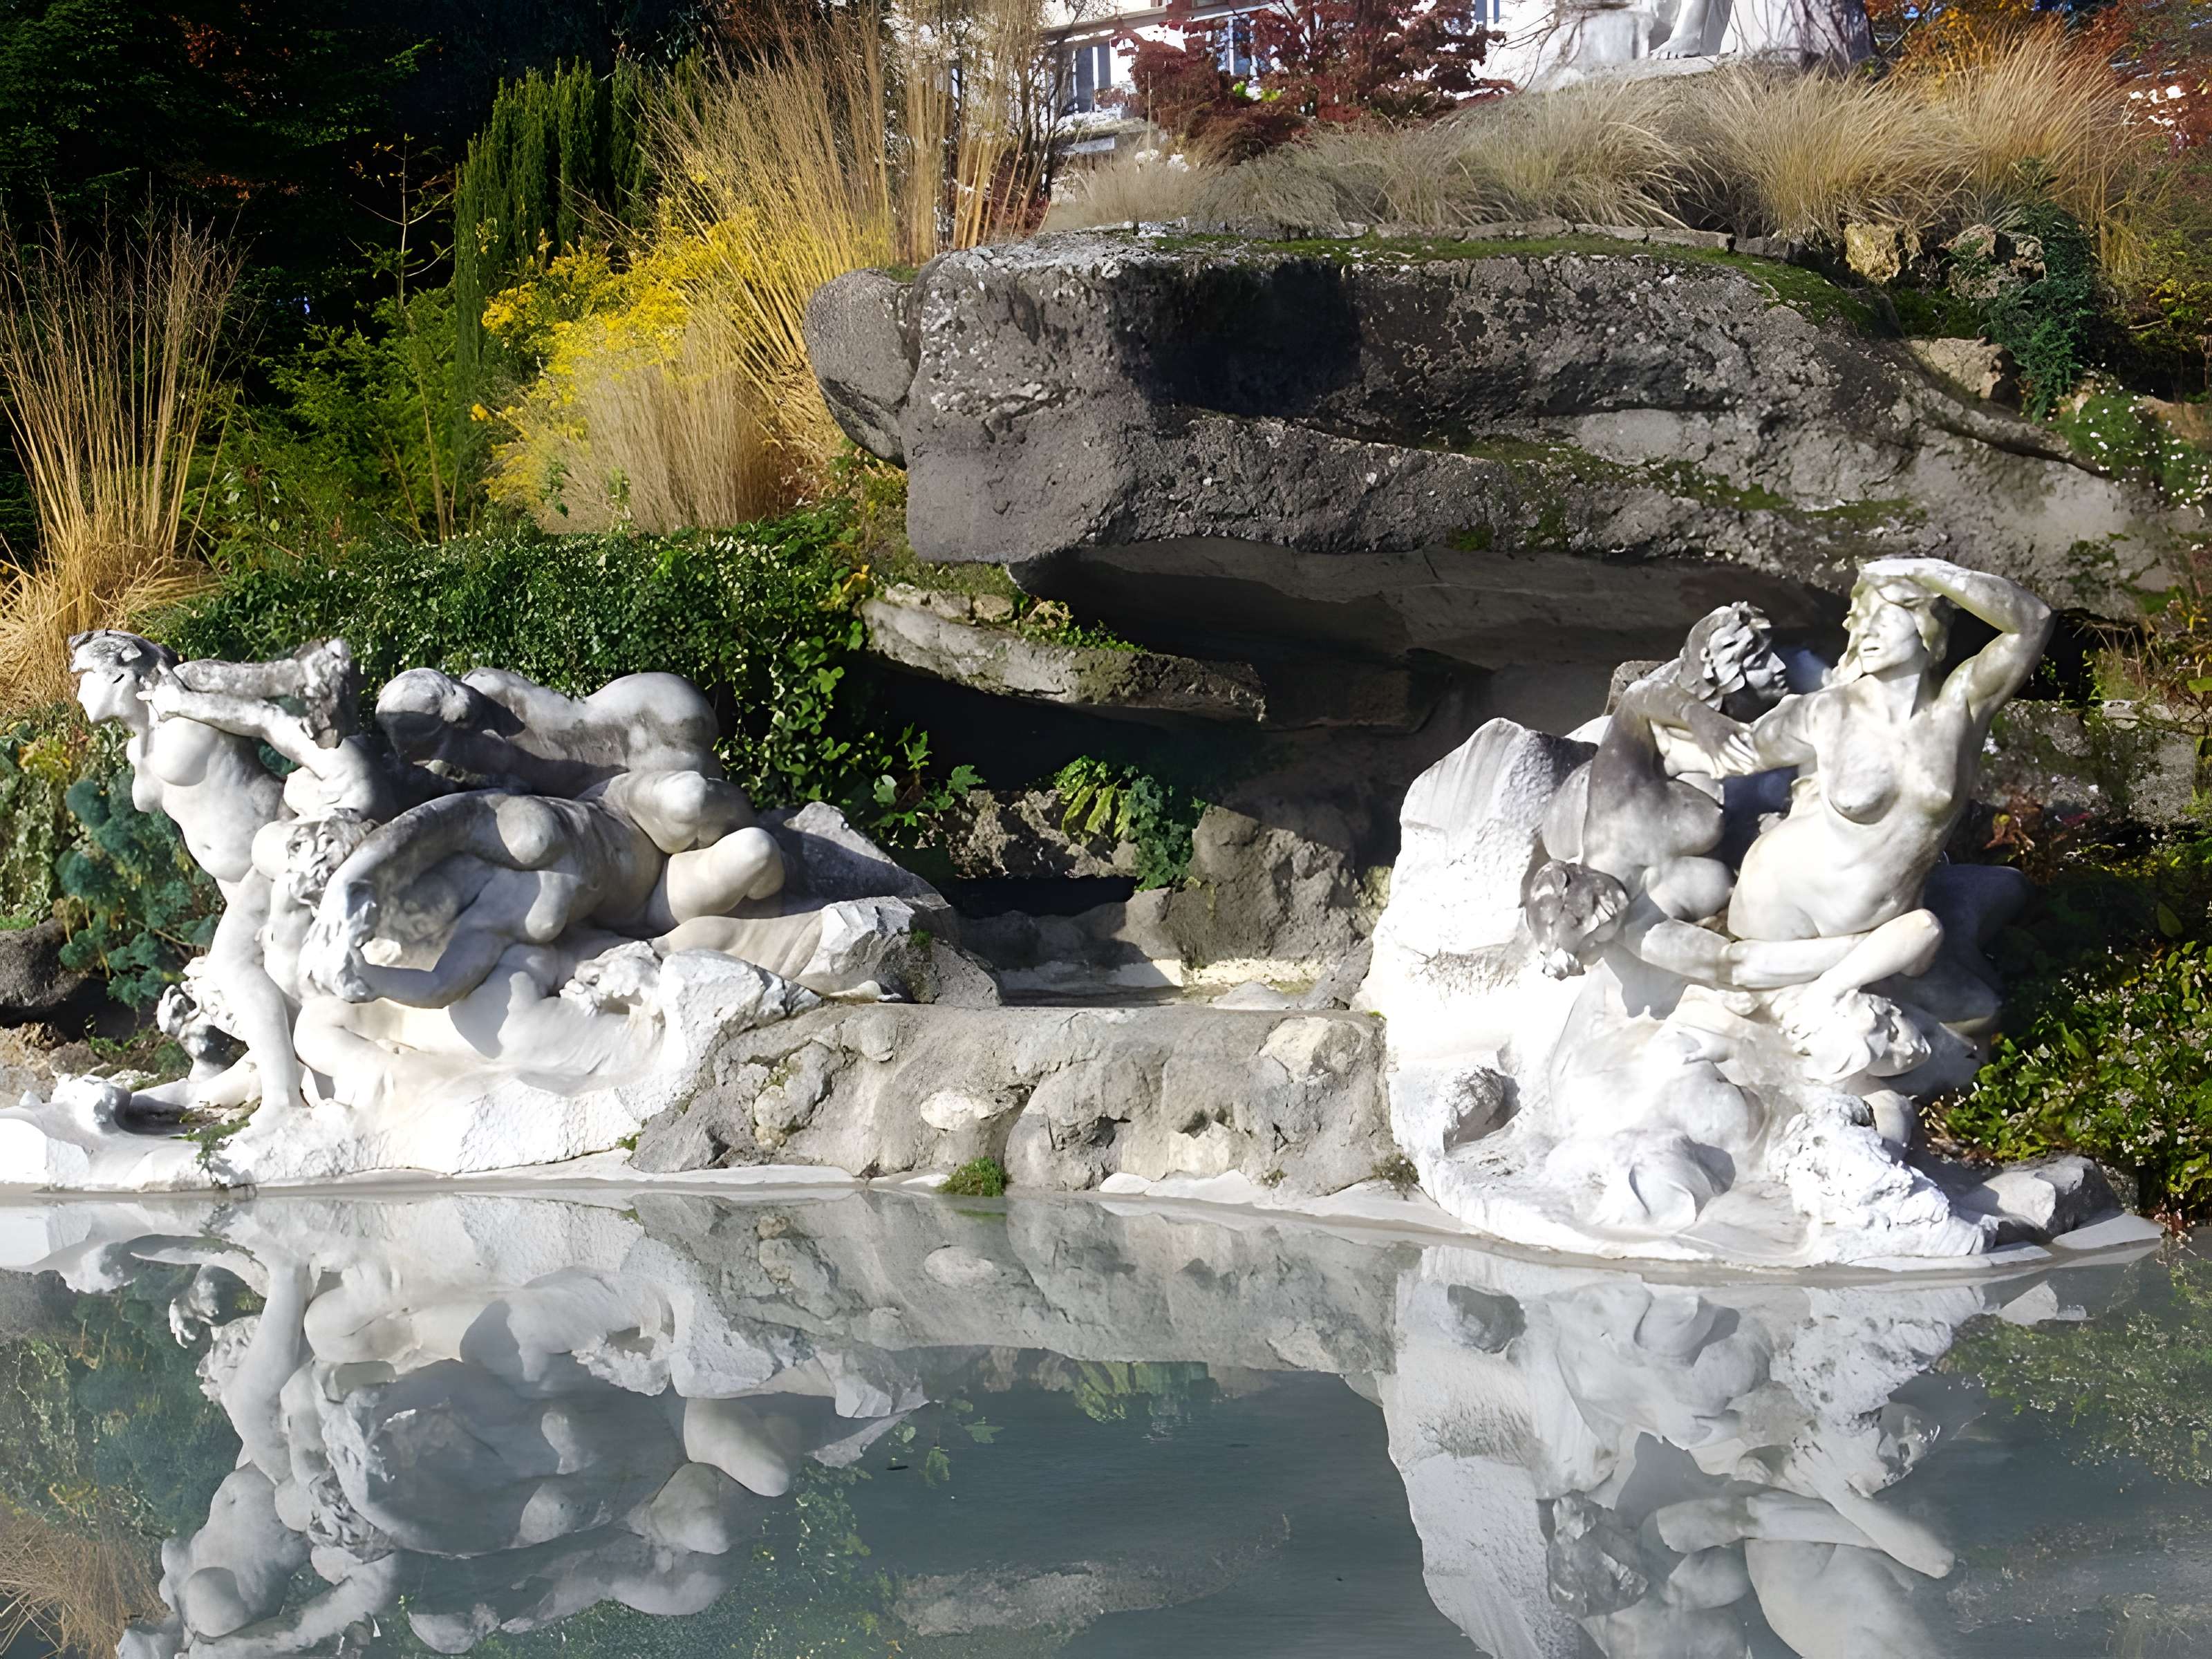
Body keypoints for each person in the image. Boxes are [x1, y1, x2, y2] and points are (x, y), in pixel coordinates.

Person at [1721, 558, 2052, 1032]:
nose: (1867, 632)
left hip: (1886, 924)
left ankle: (1850, 979)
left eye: (1886, 614)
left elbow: (2033, 621)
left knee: (1982, 1011)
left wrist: (1926, 570)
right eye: (1862, 618)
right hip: (1784, 903)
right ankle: (1812, 986)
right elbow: (1733, 752)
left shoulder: (1960, 708)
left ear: (1924, 623)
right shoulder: (1828, 709)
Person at [69, 631, 303, 1112]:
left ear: (123, 668)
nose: (78, 693)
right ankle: (278, 1079)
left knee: (232, 965)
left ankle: (285, 1106)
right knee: (275, 980)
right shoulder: (138, 746)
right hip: (236, 882)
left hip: (274, 845)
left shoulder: (189, 684)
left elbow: (272, 685)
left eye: (86, 677)